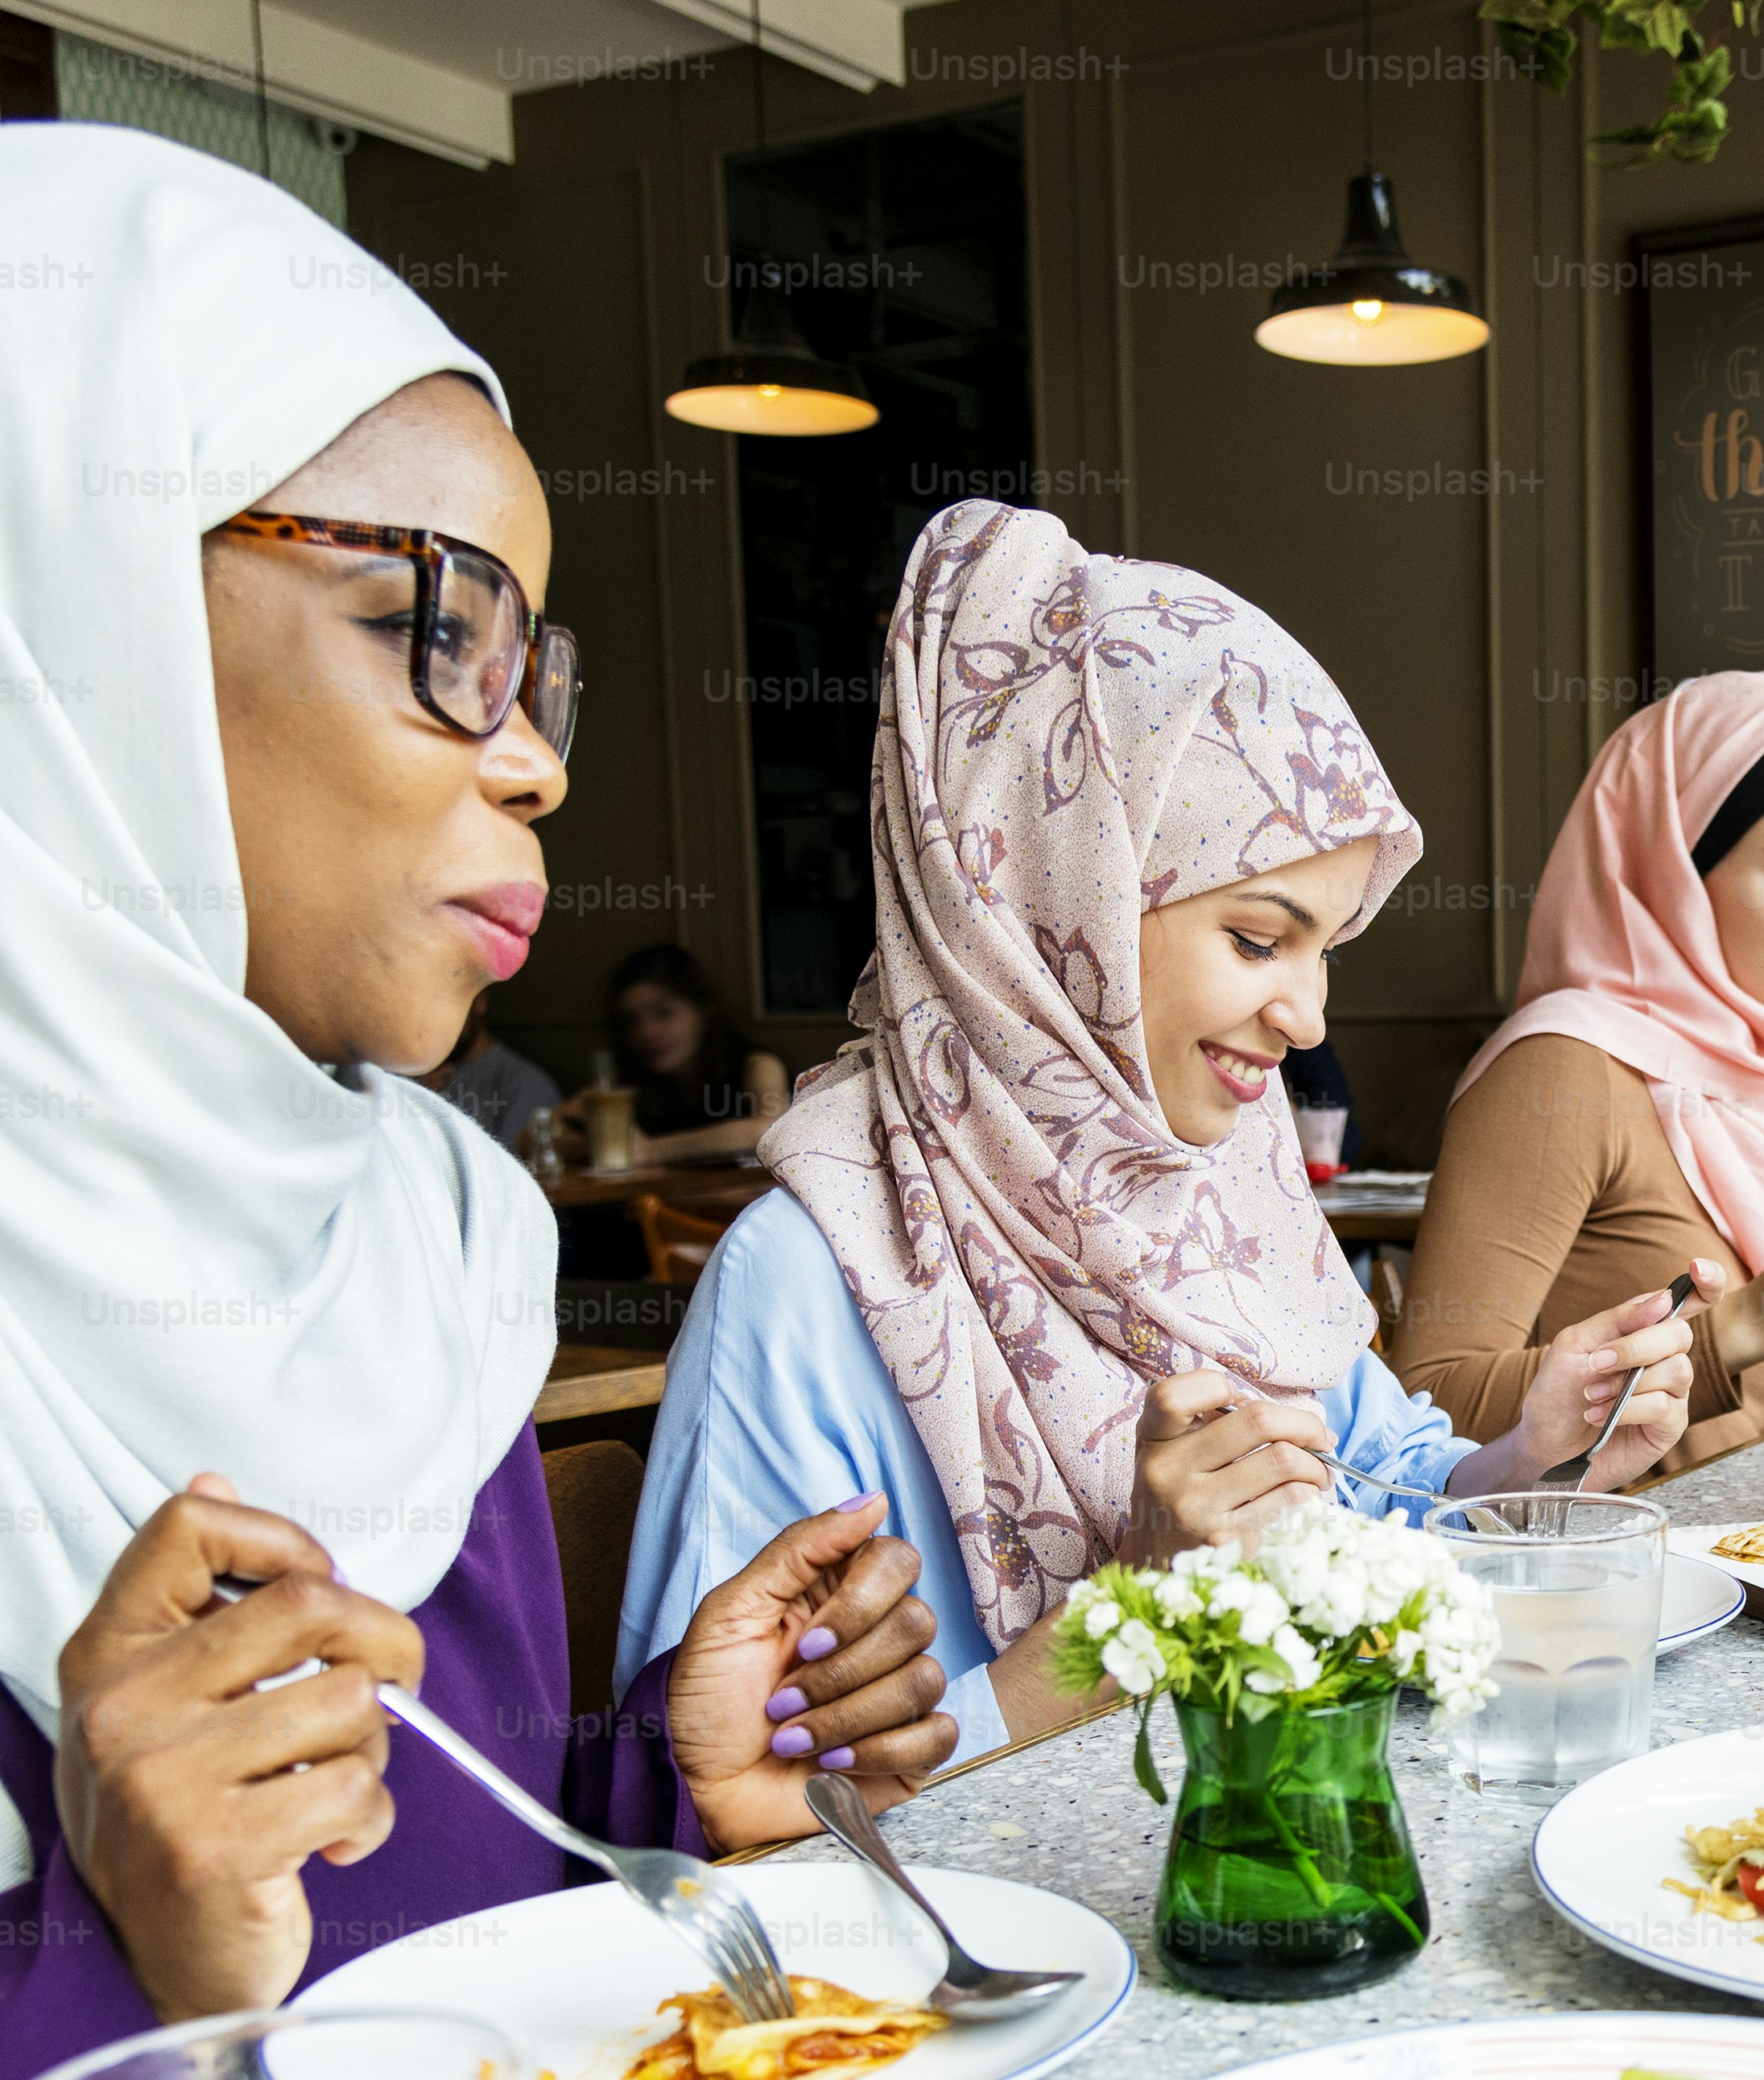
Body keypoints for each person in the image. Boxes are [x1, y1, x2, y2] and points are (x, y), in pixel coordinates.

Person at [0, 130, 952, 2080]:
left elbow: (420, 1902)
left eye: (539, 666)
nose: (536, 766)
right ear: (4, 607)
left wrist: (668, 1777)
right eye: (442, 625)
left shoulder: (415, 1231)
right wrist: (88, 1967)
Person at [622, 502, 1695, 1766]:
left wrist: (1526, 1454)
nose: (1305, 1015)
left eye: (1326, 950)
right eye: (1256, 936)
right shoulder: (808, 1277)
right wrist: (1128, 1600)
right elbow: (737, 1810)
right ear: (1052, 887)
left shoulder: (1223, 1180)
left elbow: (1372, 1475)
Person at [1394, 675, 1764, 1473]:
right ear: (1672, 875)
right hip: (1612, 1579)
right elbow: (1424, 1409)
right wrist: (1747, 1320)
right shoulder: (1563, 1070)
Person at [598, 940, 787, 1163]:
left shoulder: (757, 1064)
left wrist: (651, 1150)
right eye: (631, 1021)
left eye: (664, 1013)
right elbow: (558, 1124)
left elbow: (769, 1128)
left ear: (705, 1009)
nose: (646, 1032)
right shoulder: (634, 1082)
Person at [423, 980, 563, 1154]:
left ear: (480, 1002)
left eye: (447, 1003)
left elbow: (510, 1169)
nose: (435, 1018)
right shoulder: (414, 1079)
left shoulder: (524, 1084)